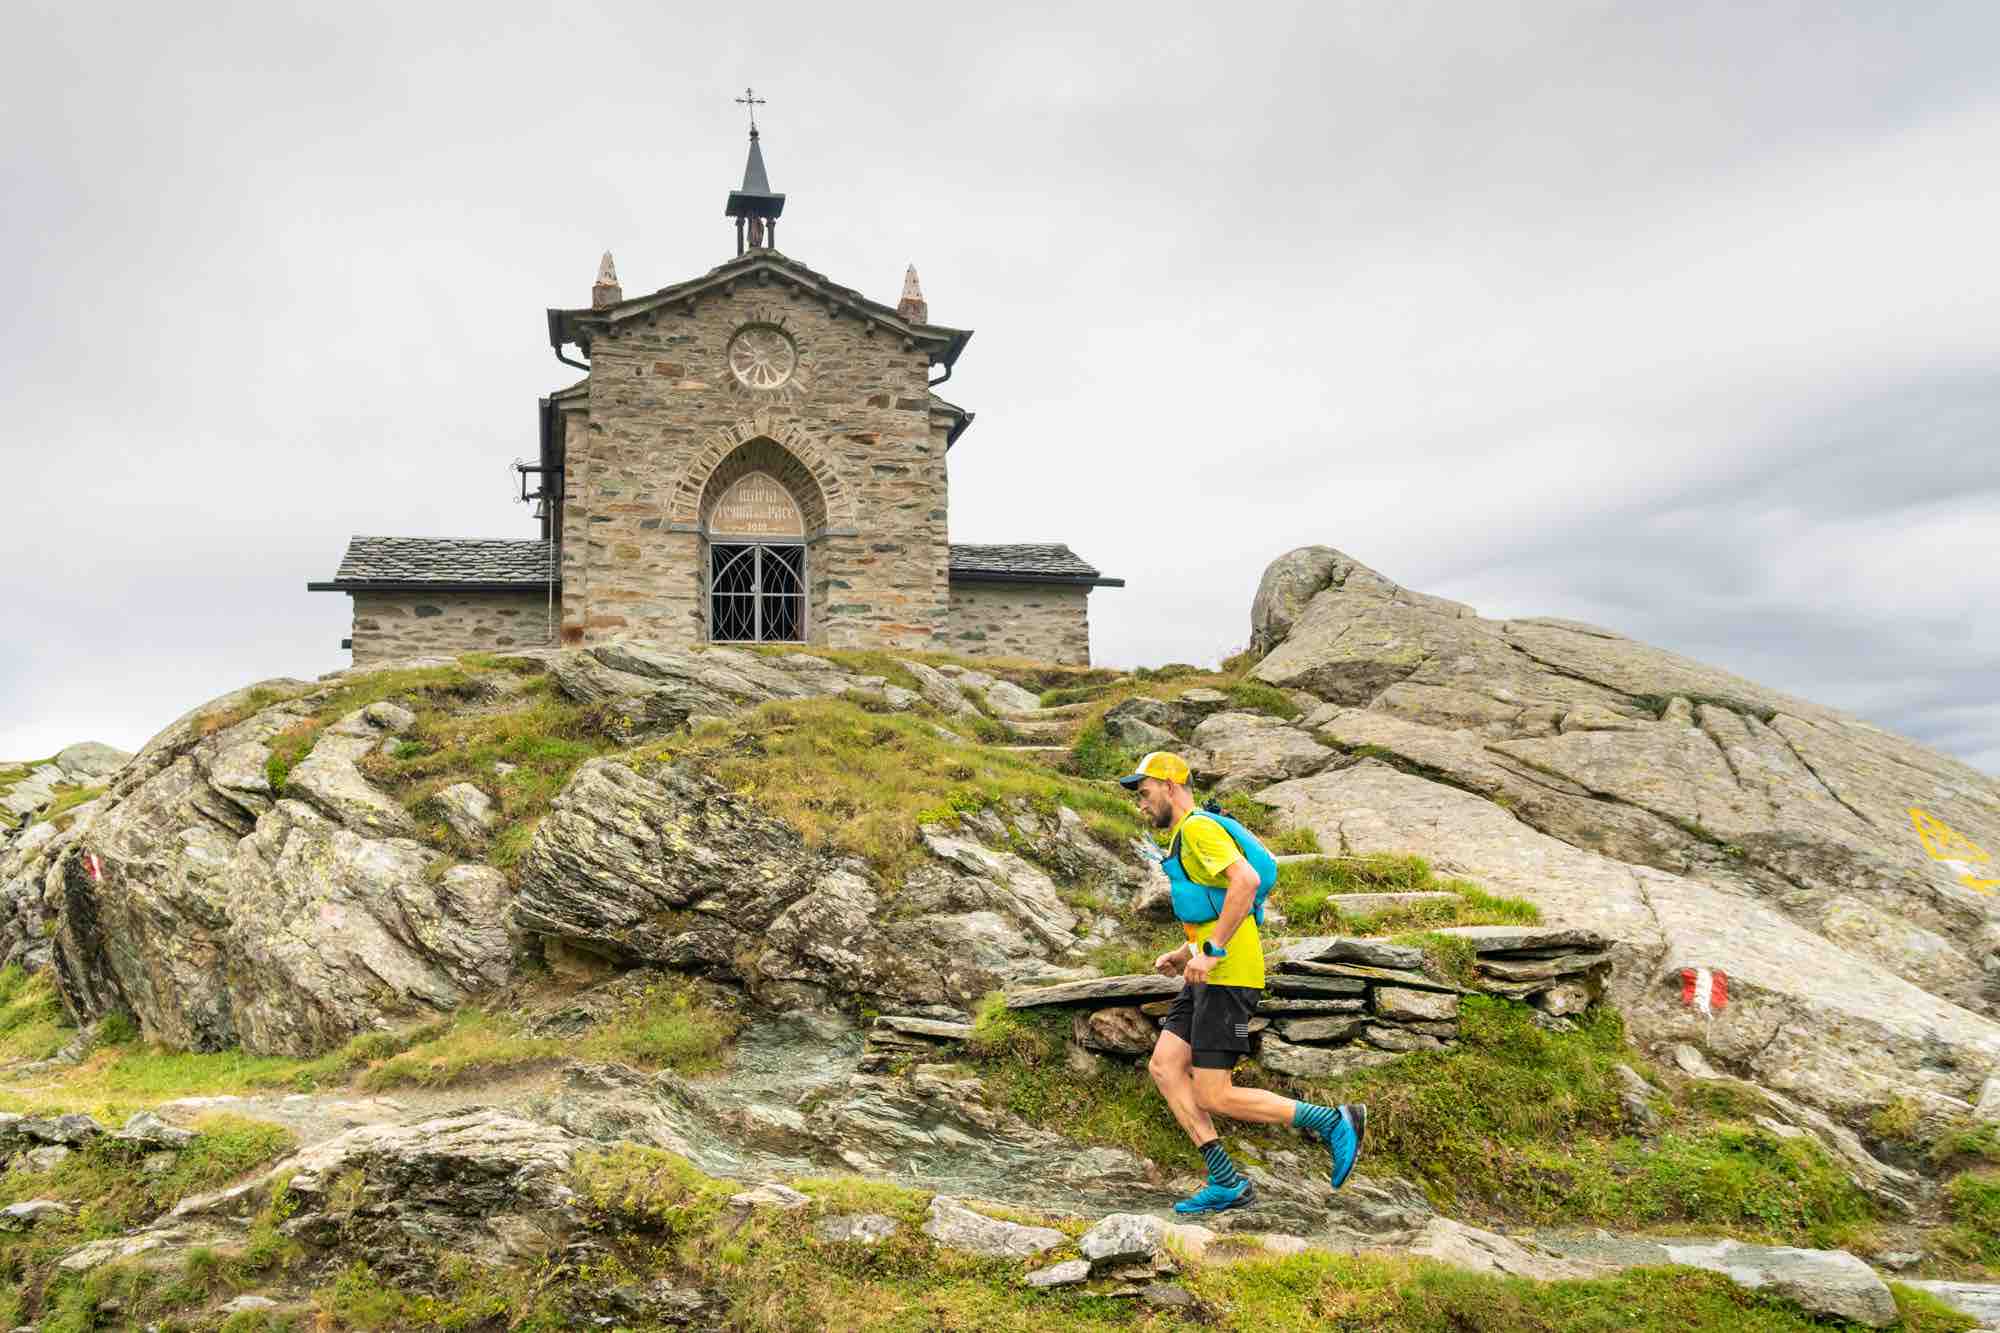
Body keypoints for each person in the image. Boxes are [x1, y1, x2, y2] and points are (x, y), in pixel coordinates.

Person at [1119, 750, 1366, 1215]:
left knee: (1215, 1093)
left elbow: (1246, 883)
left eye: (1145, 792)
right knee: (1166, 1066)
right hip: (1208, 976)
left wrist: (1210, 955)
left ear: (1170, 786)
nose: (1141, 803)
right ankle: (1226, 1182)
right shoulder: (1185, 837)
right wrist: (1187, 952)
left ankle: (1334, 1121)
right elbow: (1213, 908)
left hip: (1230, 978)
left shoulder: (1198, 829)